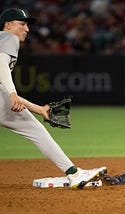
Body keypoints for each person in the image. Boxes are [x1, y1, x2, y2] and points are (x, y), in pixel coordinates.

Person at [0, 8, 106, 189]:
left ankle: (74, 173)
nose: (27, 29)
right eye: (22, 24)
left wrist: (39, 109)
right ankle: (74, 173)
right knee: (35, 130)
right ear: (8, 25)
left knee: (33, 126)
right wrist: (12, 93)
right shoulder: (7, 37)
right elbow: (1, 65)